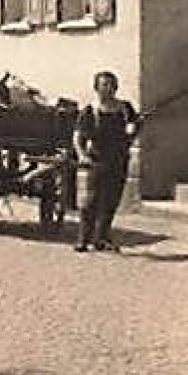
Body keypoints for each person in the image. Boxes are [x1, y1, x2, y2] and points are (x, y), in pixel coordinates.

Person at [74, 71, 139, 252]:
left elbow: (134, 128)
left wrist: (133, 129)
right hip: (97, 160)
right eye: (104, 85)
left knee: (111, 200)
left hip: (119, 159)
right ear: (96, 88)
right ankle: (83, 239)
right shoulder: (90, 110)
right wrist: (82, 155)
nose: (108, 89)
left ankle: (101, 238)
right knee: (90, 200)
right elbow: (78, 135)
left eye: (111, 85)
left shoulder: (125, 109)